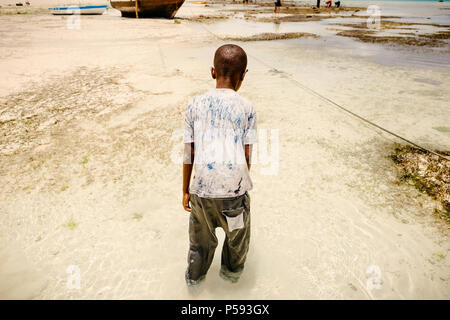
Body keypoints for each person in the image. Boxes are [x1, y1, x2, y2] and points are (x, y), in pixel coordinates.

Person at [182, 44, 257, 287]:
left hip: (201, 193)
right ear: (244, 75)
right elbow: (246, 156)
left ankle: (194, 284)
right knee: (237, 245)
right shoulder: (247, 107)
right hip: (233, 197)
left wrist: (185, 190)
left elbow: (188, 152)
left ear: (213, 72)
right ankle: (231, 283)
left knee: (199, 245)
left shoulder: (194, 104)